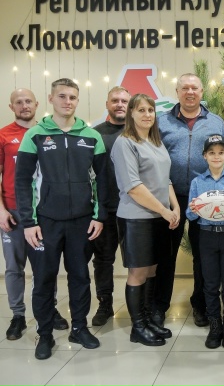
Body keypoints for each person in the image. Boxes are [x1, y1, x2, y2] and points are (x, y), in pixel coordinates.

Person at [15, 78, 107, 360]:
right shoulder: (35, 135)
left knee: (80, 277)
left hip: (82, 222)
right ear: (51, 99)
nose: (68, 102)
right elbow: (23, 181)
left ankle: (79, 328)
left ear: (78, 100)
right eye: (62, 96)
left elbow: (102, 180)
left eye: (73, 97)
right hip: (45, 222)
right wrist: (29, 223)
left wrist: (99, 216)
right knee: (44, 279)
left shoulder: (92, 136)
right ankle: (44, 334)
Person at [158, 73, 224, 327]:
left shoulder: (215, 122)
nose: (190, 92)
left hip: (204, 196)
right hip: (169, 196)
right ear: (177, 92)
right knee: (166, 254)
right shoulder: (161, 121)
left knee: (203, 256)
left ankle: (201, 305)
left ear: (201, 92)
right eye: (185, 88)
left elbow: (223, 156)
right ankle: (159, 306)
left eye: (194, 88)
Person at [111, 94, 179, 347]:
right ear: (131, 113)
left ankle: (148, 319)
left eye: (150, 110)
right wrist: (164, 210)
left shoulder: (156, 142)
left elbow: (165, 179)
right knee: (138, 272)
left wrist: (175, 206)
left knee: (152, 270)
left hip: (158, 217)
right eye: (141, 110)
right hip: (136, 218)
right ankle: (137, 327)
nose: (147, 115)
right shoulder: (125, 143)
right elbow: (133, 186)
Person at [1, 89, 68, 341]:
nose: (24, 105)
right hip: (13, 212)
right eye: (18, 102)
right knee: (14, 267)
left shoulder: (47, 133)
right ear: (11, 107)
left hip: (42, 212)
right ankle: (18, 315)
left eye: (28, 101)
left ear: (37, 104)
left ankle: (49, 309)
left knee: (45, 266)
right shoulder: (3, 136)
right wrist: (1, 211)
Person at [187, 134, 224, 349]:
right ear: (205, 156)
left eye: (221, 152)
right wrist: (193, 209)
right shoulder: (197, 182)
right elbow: (190, 215)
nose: (216, 156)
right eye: (211, 152)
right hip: (207, 236)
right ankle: (215, 325)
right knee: (210, 284)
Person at [88, 86, 130, 326]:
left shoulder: (139, 132)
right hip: (105, 210)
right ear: (107, 104)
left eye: (124, 101)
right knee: (103, 261)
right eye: (115, 100)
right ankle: (105, 305)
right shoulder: (95, 134)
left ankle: (139, 306)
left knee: (138, 262)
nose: (120, 104)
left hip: (134, 210)